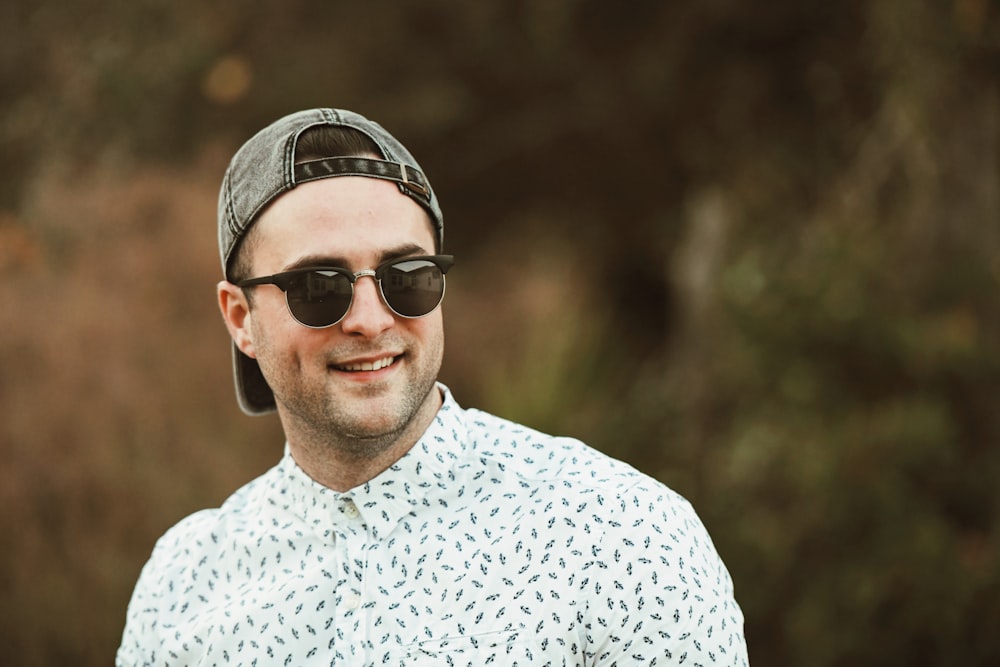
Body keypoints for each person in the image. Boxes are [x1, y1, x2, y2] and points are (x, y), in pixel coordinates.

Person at [117, 108, 749, 666]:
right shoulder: (182, 583)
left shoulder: (619, 538)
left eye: (406, 275)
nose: (370, 319)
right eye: (319, 286)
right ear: (240, 319)